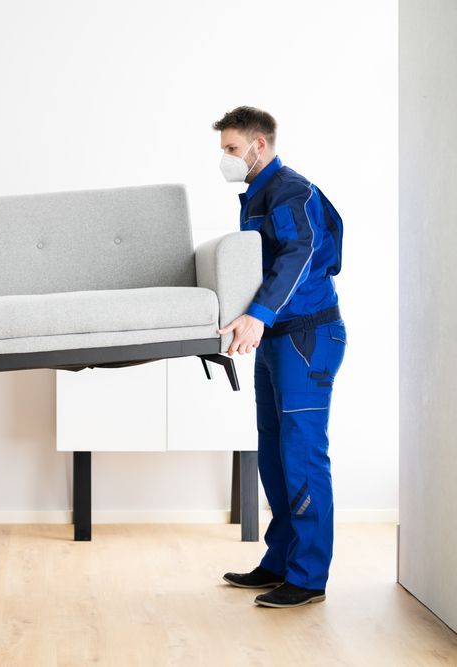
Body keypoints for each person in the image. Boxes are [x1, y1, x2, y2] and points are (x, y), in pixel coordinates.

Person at [212, 107, 346, 608]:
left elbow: (301, 254)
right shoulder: (257, 197)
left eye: (231, 149)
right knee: (274, 454)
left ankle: (308, 578)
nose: (225, 158)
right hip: (276, 339)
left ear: (259, 145)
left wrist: (259, 316)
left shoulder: (291, 191)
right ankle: (280, 562)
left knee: (303, 455)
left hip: (307, 338)